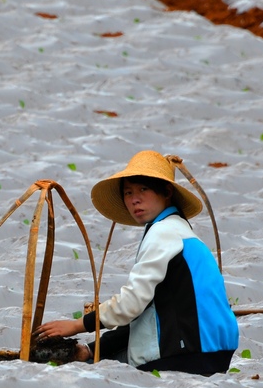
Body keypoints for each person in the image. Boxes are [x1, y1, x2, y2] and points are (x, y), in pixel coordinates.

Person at [34, 150, 238, 376]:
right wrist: (90, 350)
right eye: (128, 192)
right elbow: (145, 314)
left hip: (189, 353)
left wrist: (77, 325)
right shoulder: (181, 230)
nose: (134, 199)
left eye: (143, 189)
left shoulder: (163, 232)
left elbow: (131, 303)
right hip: (215, 352)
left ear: (167, 192)